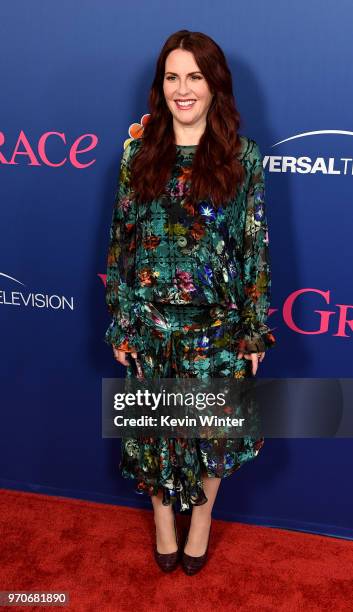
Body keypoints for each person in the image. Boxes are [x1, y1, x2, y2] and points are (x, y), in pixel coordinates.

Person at [104, 30, 276, 575]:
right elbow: (122, 243)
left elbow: (254, 244)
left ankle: (200, 521)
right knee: (153, 432)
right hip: (151, 324)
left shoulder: (243, 158)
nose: (183, 89)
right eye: (173, 77)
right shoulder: (137, 153)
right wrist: (123, 323)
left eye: (195, 77)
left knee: (213, 433)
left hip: (218, 329)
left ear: (214, 85)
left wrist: (252, 328)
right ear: (161, 86)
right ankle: (162, 521)